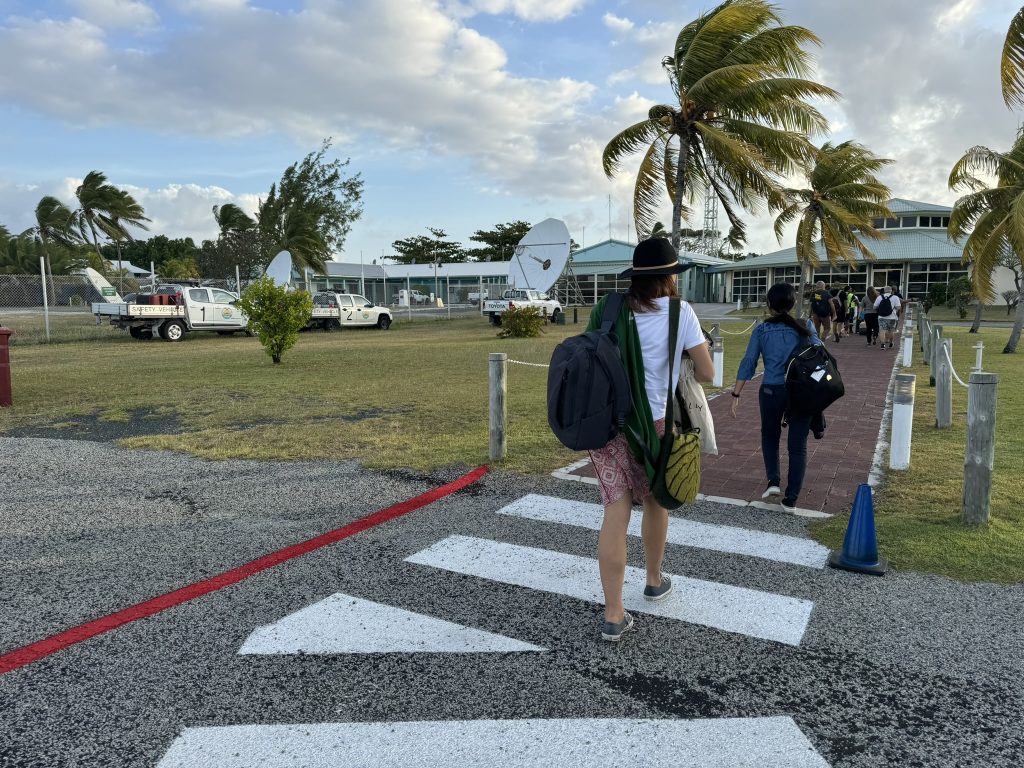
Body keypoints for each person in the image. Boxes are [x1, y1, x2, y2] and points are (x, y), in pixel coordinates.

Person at [586, 238, 714, 642]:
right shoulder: (681, 313)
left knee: (615, 510)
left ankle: (613, 613)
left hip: (606, 426)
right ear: (670, 277)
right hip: (654, 426)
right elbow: (708, 373)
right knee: (656, 500)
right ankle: (654, 580)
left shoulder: (608, 309)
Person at [731, 282, 824, 512]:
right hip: (800, 393)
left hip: (771, 391)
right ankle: (791, 499)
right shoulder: (806, 326)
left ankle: (773, 482)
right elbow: (820, 356)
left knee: (770, 437)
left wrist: (736, 393)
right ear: (792, 303)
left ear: (770, 304)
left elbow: (748, 362)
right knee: (797, 446)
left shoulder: (762, 330)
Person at [874, 285, 902, 349]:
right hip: (892, 317)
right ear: (891, 291)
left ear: (884, 291)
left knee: (882, 330)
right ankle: (891, 343)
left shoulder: (879, 297)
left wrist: (880, 309)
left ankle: (882, 344)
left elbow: (874, 307)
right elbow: (898, 307)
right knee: (891, 330)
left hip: (881, 317)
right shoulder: (895, 297)